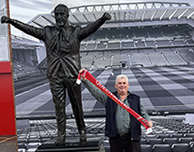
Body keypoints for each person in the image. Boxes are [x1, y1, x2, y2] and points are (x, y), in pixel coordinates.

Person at [1, 4, 111, 144]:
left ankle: (82, 130)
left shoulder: (75, 31)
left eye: (62, 14)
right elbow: (29, 29)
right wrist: (12, 21)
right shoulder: (47, 32)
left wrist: (102, 19)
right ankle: (61, 134)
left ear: (67, 15)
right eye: (57, 14)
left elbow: (90, 28)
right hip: (55, 75)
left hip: (72, 75)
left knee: (77, 105)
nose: (59, 17)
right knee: (59, 107)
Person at [80, 70, 153, 152]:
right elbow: (96, 92)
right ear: (115, 86)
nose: (122, 85)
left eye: (124, 83)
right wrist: (85, 80)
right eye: (119, 83)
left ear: (128, 85)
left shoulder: (135, 99)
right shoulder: (109, 98)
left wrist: (148, 121)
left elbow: (143, 113)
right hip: (116, 138)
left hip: (132, 138)